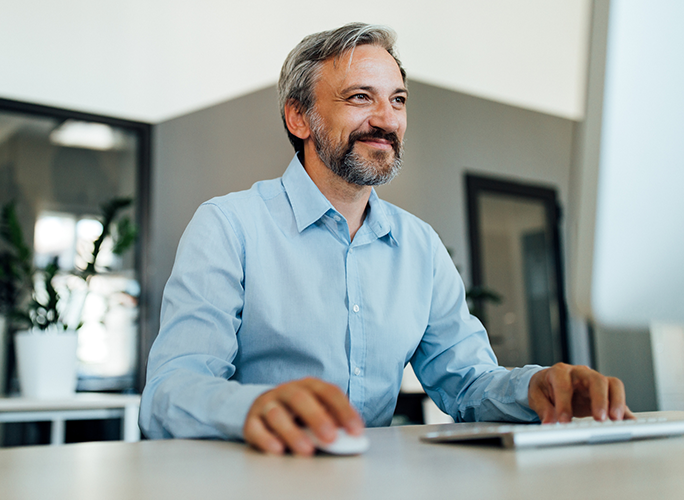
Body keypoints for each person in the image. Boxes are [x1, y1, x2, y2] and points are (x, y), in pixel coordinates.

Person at [139, 22, 632, 456]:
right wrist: (254, 407)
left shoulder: (420, 246)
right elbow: (169, 391)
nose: (386, 119)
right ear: (299, 118)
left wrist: (534, 388)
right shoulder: (228, 226)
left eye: (397, 100)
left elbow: (468, 382)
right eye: (360, 97)